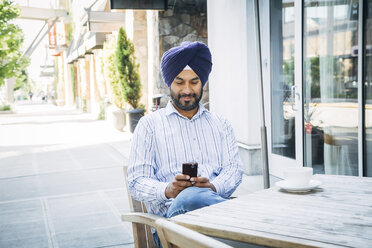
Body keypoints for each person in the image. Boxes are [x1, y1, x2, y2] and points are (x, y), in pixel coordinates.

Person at [127, 41, 243, 247]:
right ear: (169, 83)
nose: (187, 90)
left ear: (203, 83)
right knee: (190, 198)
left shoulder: (221, 125)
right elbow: (136, 181)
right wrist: (168, 190)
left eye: (194, 82)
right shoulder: (149, 126)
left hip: (218, 221)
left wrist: (213, 187)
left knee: (198, 197)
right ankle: (246, 220)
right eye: (179, 82)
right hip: (172, 226)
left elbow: (234, 170)